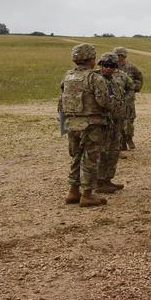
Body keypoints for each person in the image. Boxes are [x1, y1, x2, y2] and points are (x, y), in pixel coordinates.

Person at [58, 43, 110, 207]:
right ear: (91, 59)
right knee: (90, 158)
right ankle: (87, 194)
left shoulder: (68, 76)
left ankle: (73, 191)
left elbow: (61, 100)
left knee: (76, 156)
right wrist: (114, 104)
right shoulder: (94, 78)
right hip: (91, 124)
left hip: (72, 123)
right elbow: (103, 101)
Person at [96, 52, 133, 194]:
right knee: (102, 151)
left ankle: (107, 179)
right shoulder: (95, 78)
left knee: (113, 151)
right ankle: (99, 181)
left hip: (116, 121)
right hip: (102, 122)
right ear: (101, 65)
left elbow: (130, 88)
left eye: (112, 66)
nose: (108, 68)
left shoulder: (118, 79)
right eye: (105, 65)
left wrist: (125, 102)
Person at [114, 46, 143, 151]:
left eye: (120, 55)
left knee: (129, 121)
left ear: (124, 56)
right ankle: (122, 143)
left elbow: (139, 77)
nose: (118, 57)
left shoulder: (131, 67)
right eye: (117, 55)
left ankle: (129, 138)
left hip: (128, 98)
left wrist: (136, 88)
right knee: (118, 121)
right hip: (116, 99)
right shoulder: (111, 67)